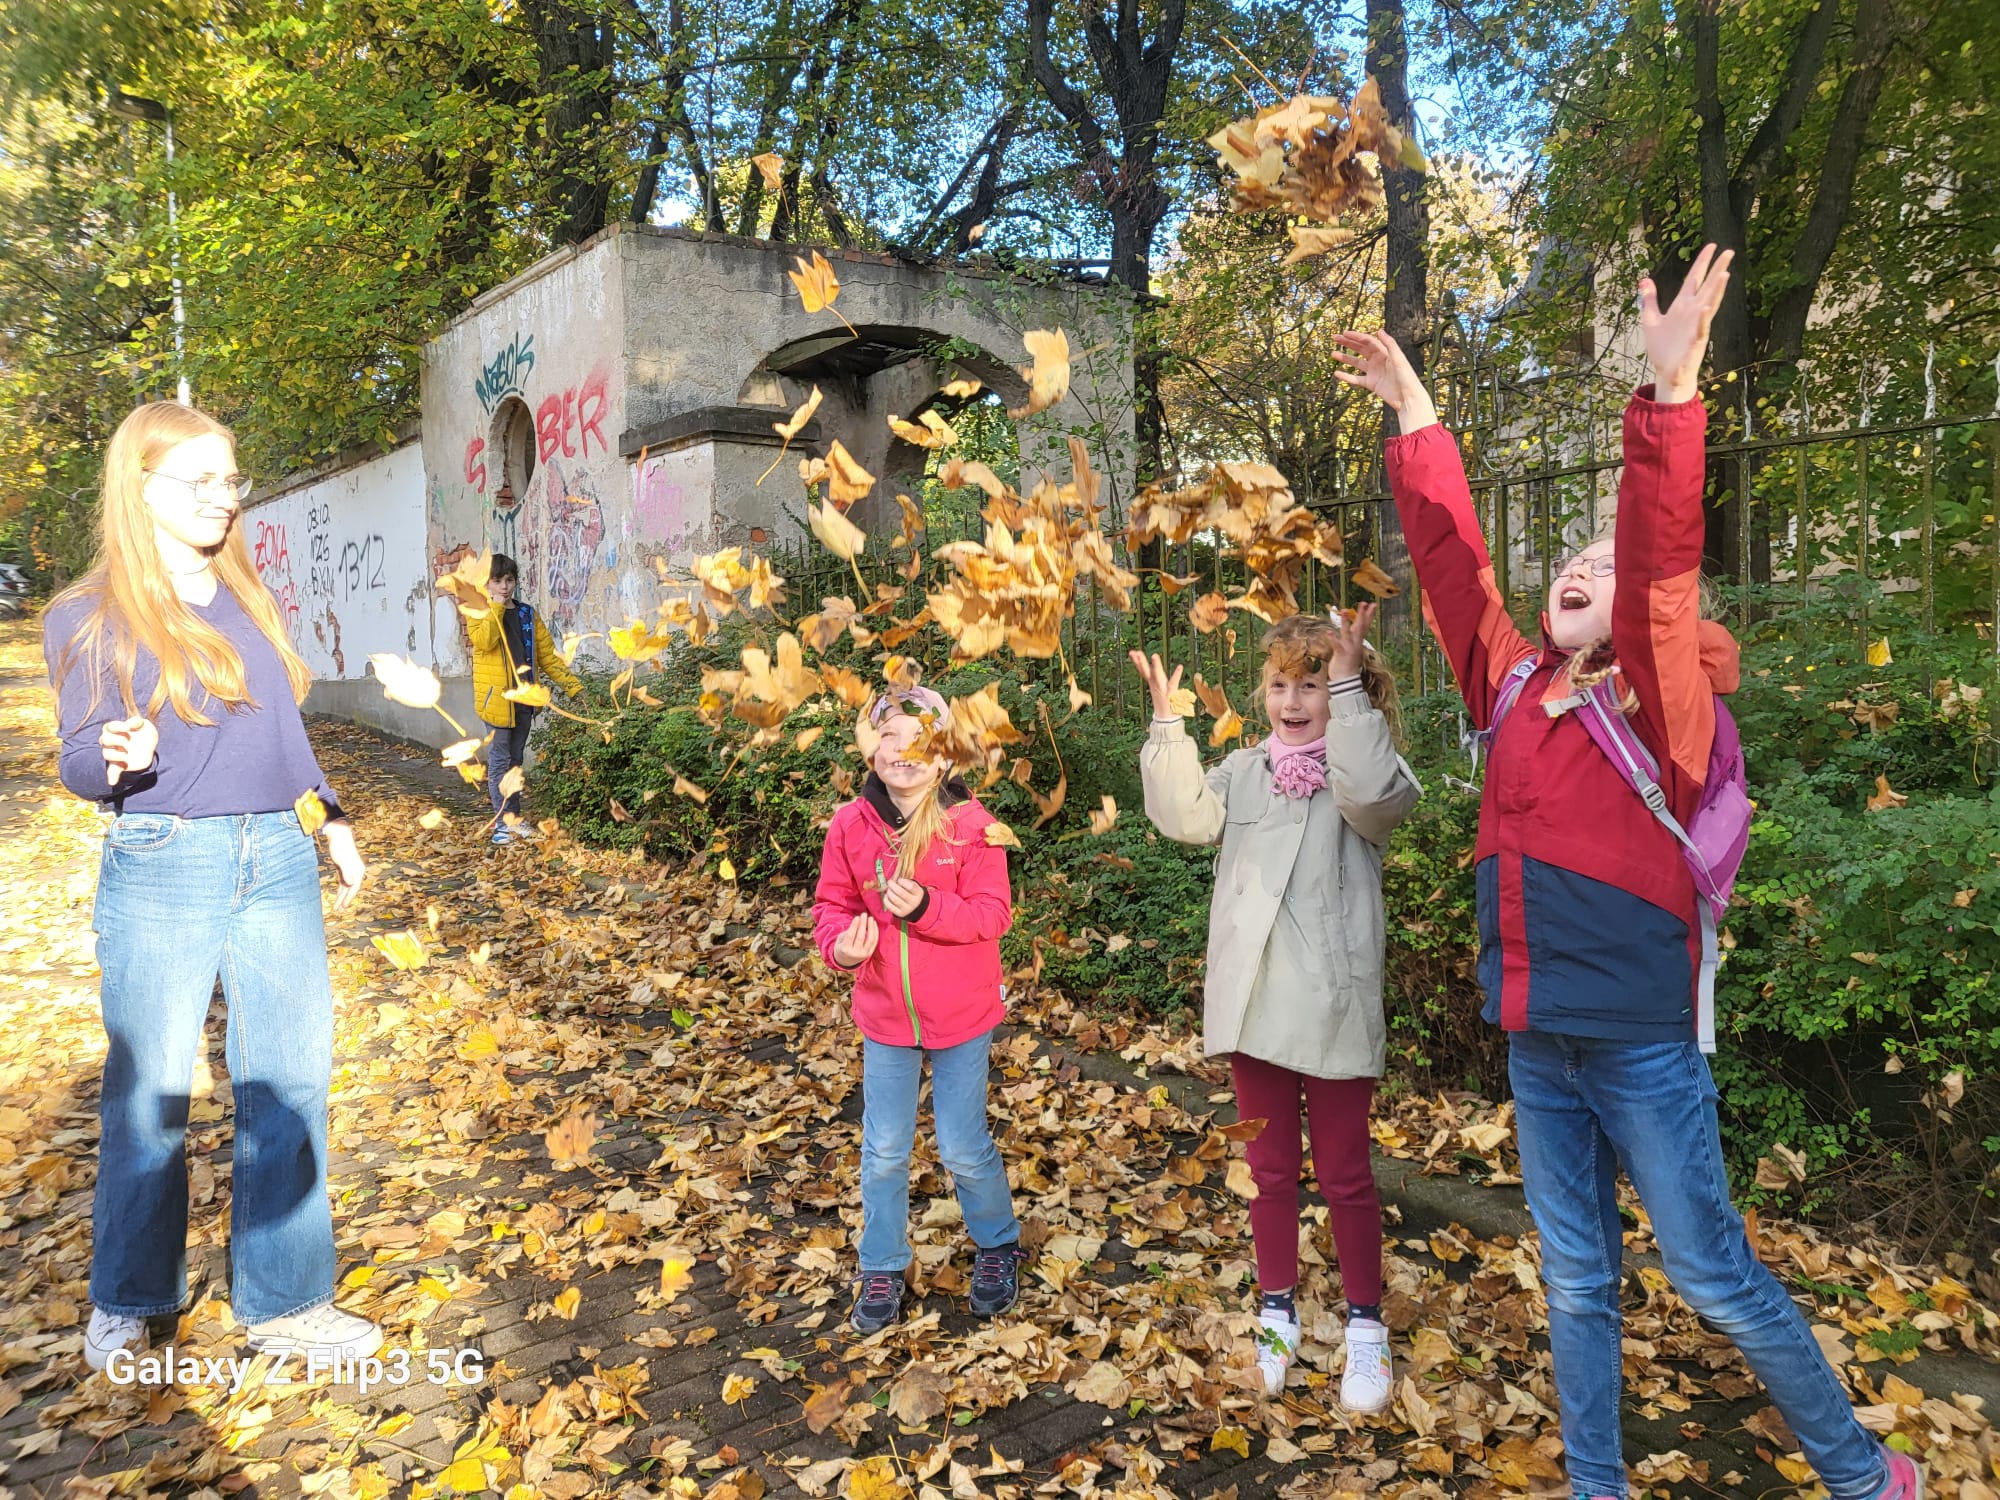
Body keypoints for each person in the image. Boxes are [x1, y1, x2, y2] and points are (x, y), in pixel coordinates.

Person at [1335, 246, 1921, 1500]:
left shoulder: (1667, 708)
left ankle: (1864, 1475)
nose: (1578, 569)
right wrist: (1415, 414)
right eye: (1568, 561)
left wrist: (1668, 399)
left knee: (1709, 1276)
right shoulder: (1511, 686)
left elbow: (1657, 576)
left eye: (1597, 566)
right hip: (1536, 1039)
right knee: (1576, 1279)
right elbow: (1451, 566)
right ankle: (1595, 1486)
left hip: (1640, 1046)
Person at [44, 400, 381, 1372]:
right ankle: (130, 1299)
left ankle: (287, 1300)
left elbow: (285, 737)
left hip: (276, 855)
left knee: (289, 1080)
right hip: (164, 859)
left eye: (229, 479)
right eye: (196, 479)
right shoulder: (86, 612)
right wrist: (112, 754)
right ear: (138, 484)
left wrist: (330, 820)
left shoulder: (245, 596)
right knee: (151, 1093)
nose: (220, 497)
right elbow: (78, 758)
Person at [1131, 606, 1421, 1413]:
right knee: (1269, 1174)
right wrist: (1167, 728)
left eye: (1314, 685)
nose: (1292, 701)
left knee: (1346, 1173)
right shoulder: (1244, 769)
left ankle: (1366, 1328)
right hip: (1256, 1002)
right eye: (1279, 684)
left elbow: (1375, 800)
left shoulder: (1367, 769)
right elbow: (1188, 818)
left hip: (1332, 1004)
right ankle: (1277, 1317)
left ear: (1349, 692)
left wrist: (1351, 696)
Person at [811, 687, 1026, 1333]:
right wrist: (841, 949)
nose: (902, 751)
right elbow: (832, 906)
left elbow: (994, 915)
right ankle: (881, 1264)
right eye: (889, 737)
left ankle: (998, 1245)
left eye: (919, 739)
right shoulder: (850, 825)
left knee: (962, 1145)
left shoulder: (973, 826)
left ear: (946, 754)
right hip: (885, 1018)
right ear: (869, 748)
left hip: (962, 1016)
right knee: (882, 1150)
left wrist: (929, 908)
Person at [465, 552, 581, 843]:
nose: (504, 587)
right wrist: (495, 605)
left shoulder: (527, 614)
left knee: (515, 761)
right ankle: (502, 824)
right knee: (500, 761)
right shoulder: (478, 612)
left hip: (525, 701)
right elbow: (485, 641)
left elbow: (548, 657)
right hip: (497, 702)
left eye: (509, 580)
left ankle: (513, 819)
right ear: (486, 584)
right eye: (497, 581)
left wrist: (574, 688)